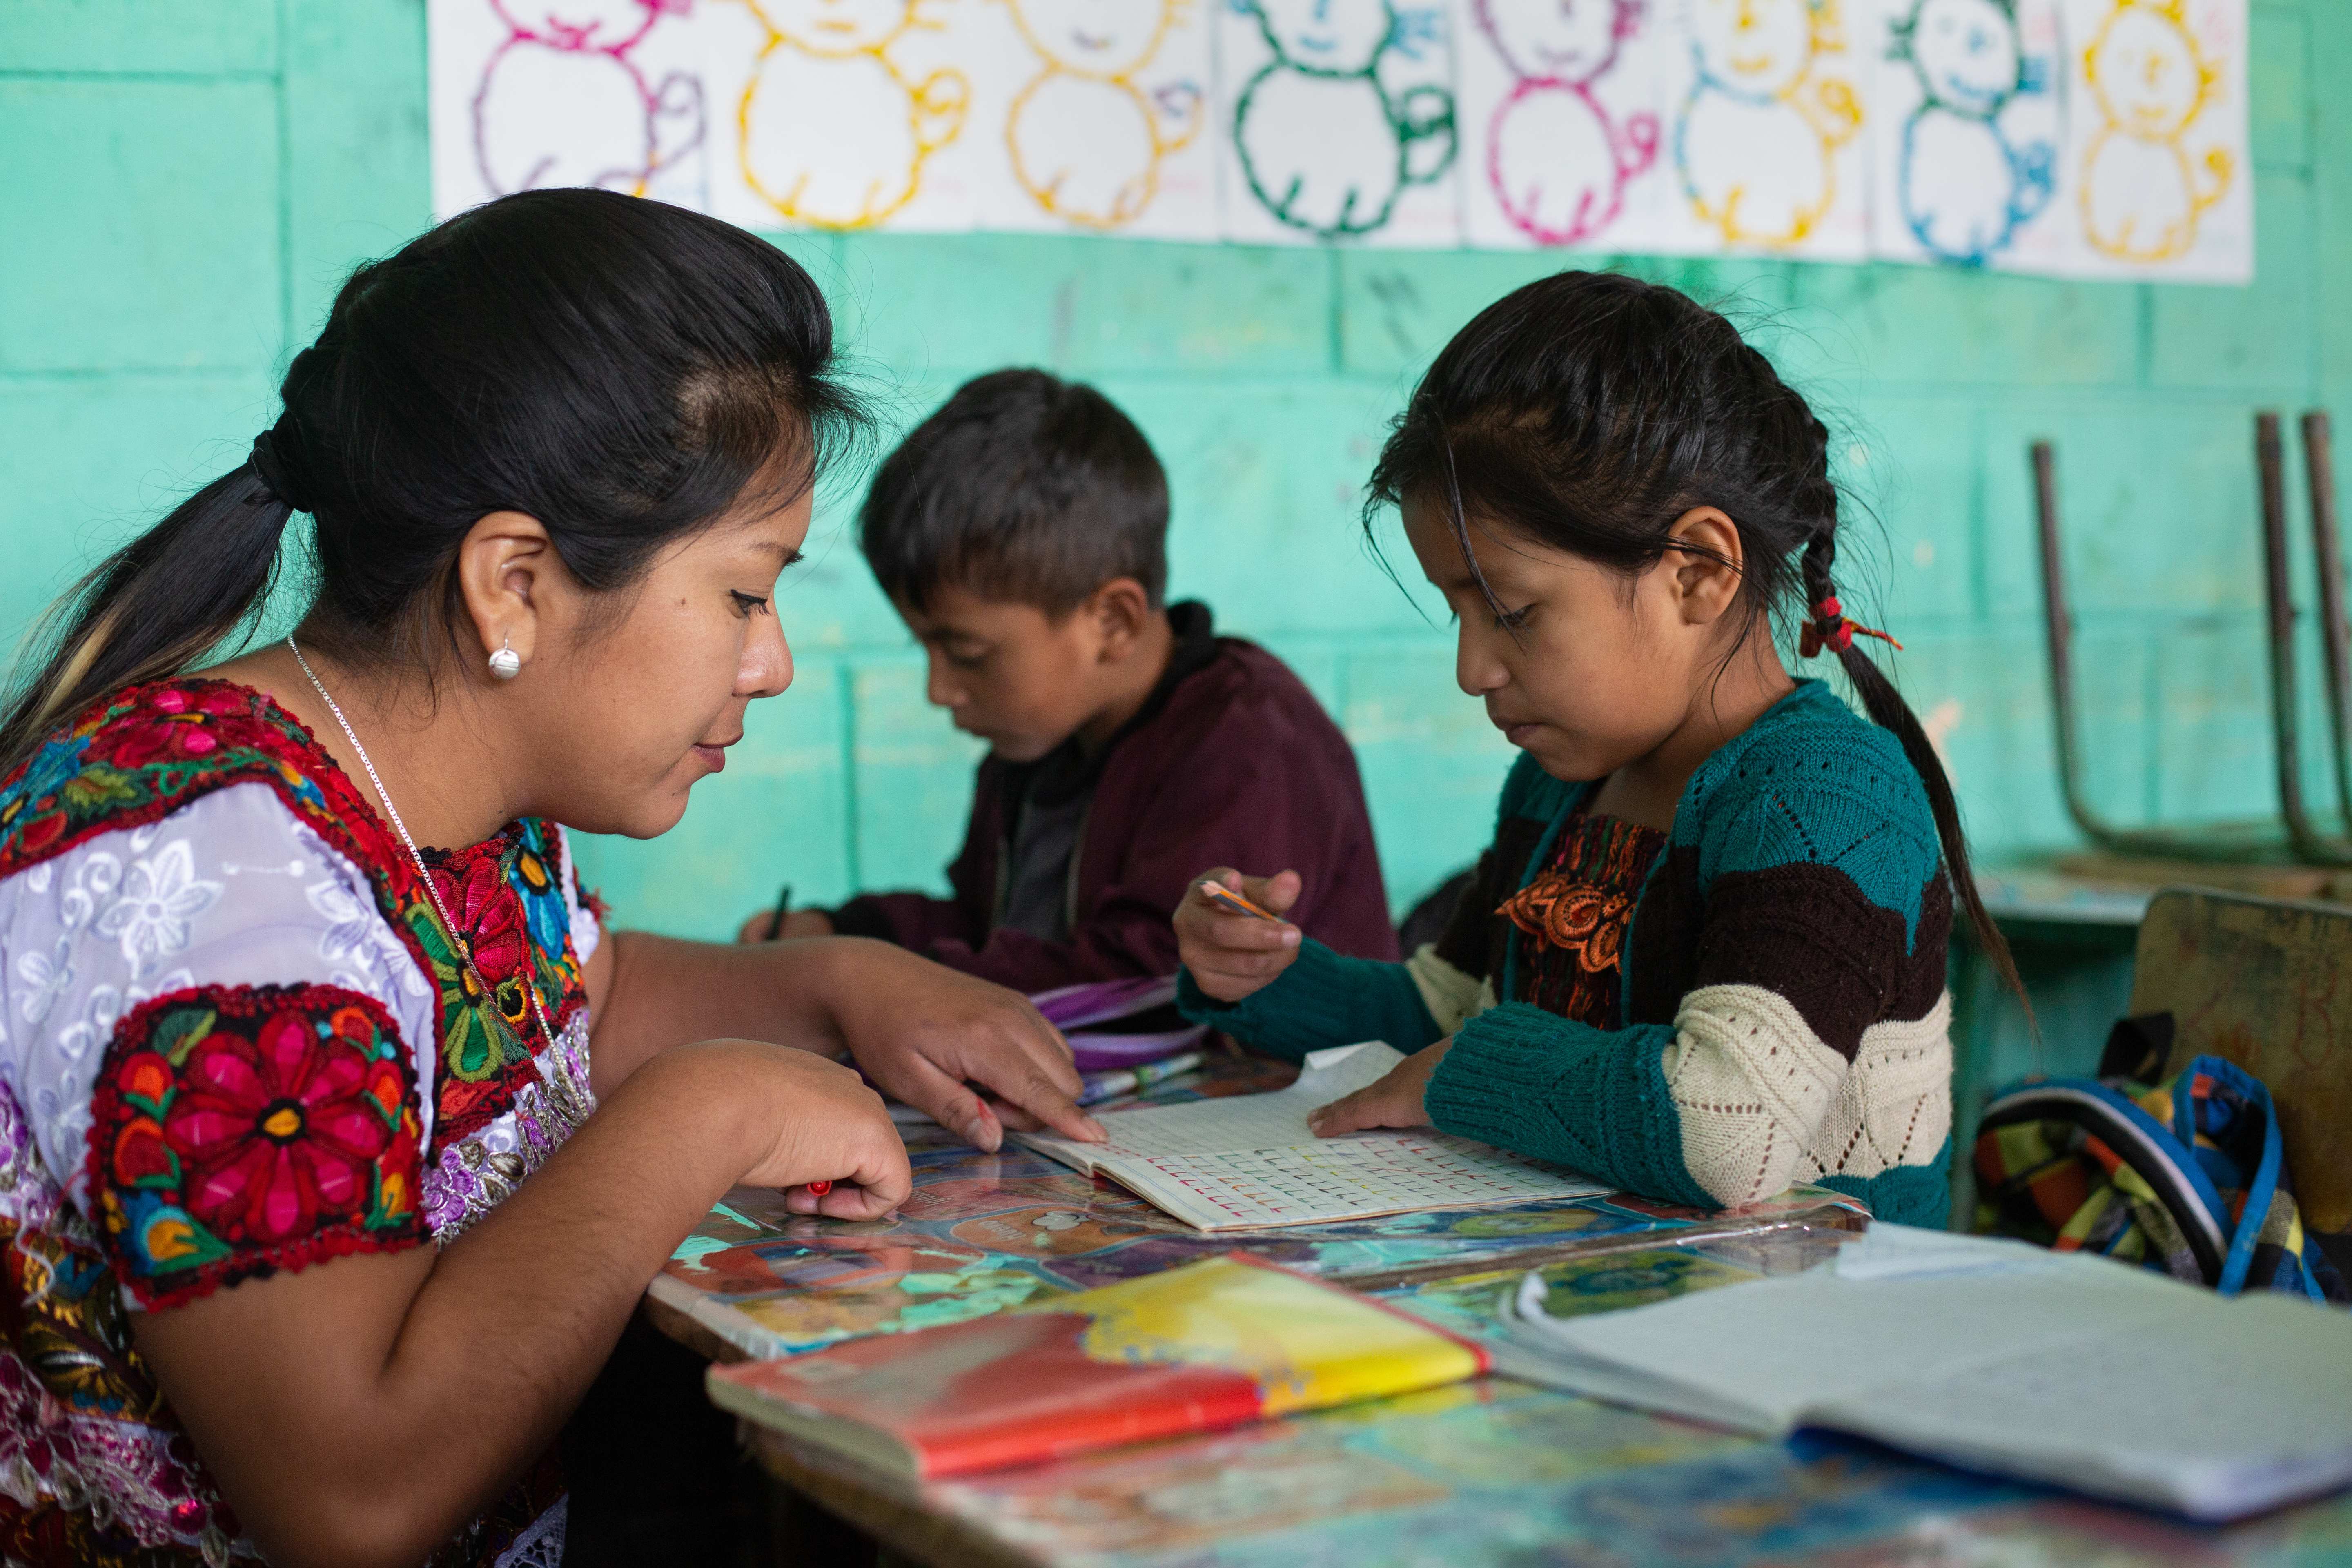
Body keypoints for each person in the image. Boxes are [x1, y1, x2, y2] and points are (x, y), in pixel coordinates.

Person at [0, 189, 1101, 1568]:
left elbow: (563, 1011)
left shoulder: (433, 785)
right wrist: (710, 1112)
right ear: (512, 584)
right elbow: (349, 1498)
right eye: (749, 595)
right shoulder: (227, 907)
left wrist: (832, 984)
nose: (773, 663)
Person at [1173, 270, 2023, 1230]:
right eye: (1457, 612)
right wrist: (1265, 974)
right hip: (1601, 1306)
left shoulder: (1825, 800)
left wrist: (1469, 1071)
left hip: (1819, 1337)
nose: (1471, 669)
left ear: (1697, 573)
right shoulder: (1556, 785)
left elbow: (1725, 1128)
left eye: (1509, 612)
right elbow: (1451, 1013)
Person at [737, 369, 1398, 988]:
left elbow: (1145, 981)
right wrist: (843, 932)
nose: (939, 691)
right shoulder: (1033, 743)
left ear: (1111, 621)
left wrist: (870, 980)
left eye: (966, 652)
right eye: (926, 650)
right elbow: (987, 931)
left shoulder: (1250, 743)